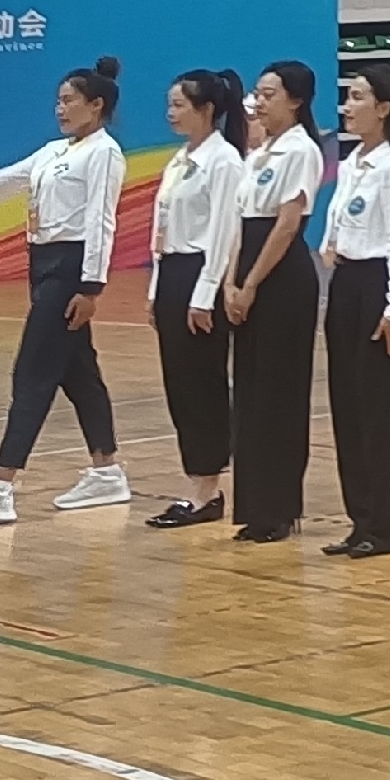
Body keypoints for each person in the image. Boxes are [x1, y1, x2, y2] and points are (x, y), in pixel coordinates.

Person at [0, 58, 131, 525]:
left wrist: (91, 286)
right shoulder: (52, 152)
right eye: (58, 101)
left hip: (70, 270)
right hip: (42, 264)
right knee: (79, 373)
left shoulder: (104, 153)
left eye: (69, 101)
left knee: (33, 373)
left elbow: (100, 221)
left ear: (96, 105)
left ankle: (1, 486)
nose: (60, 109)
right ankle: (107, 472)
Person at [320, 61, 390, 559]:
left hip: (382, 285)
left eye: (358, 97)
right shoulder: (354, 161)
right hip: (348, 283)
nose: (347, 106)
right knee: (350, 406)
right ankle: (360, 518)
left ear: (383, 108)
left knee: (385, 412)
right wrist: (331, 245)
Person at [223, 62, 326, 542]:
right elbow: (238, 223)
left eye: (269, 94)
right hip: (247, 272)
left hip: (281, 280)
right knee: (249, 392)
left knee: (279, 395)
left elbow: (286, 225)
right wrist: (230, 282)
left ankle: (280, 508)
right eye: (257, 94)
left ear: (296, 100)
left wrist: (251, 284)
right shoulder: (258, 152)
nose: (259, 103)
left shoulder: (301, 150)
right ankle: (254, 507)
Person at [142, 69, 246, 530]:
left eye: (179, 104)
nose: (170, 112)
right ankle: (198, 482)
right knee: (179, 385)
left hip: (201, 275)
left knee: (201, 384)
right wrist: (155, 288)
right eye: (170, 104)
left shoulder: (224, 161)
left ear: (206, 109)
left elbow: (224, 232)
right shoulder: (180, 160)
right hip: (173, 273)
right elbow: (162, 229)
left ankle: (207, 489)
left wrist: (205, 295)